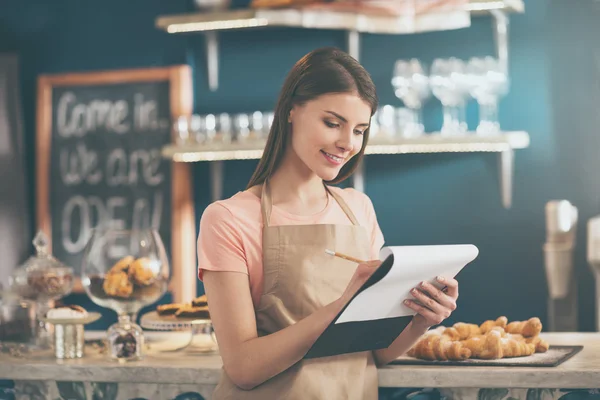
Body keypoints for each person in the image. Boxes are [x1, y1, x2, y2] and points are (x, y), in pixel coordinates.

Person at [197, 47, 459, 399]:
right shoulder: (228, 219)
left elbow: (374, 352)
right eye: (333, 123)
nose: (347, 143)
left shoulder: (358, 209)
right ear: (292, 110)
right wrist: (343, 307)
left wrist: (421, 319)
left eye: (360, 129)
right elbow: (243, 368)